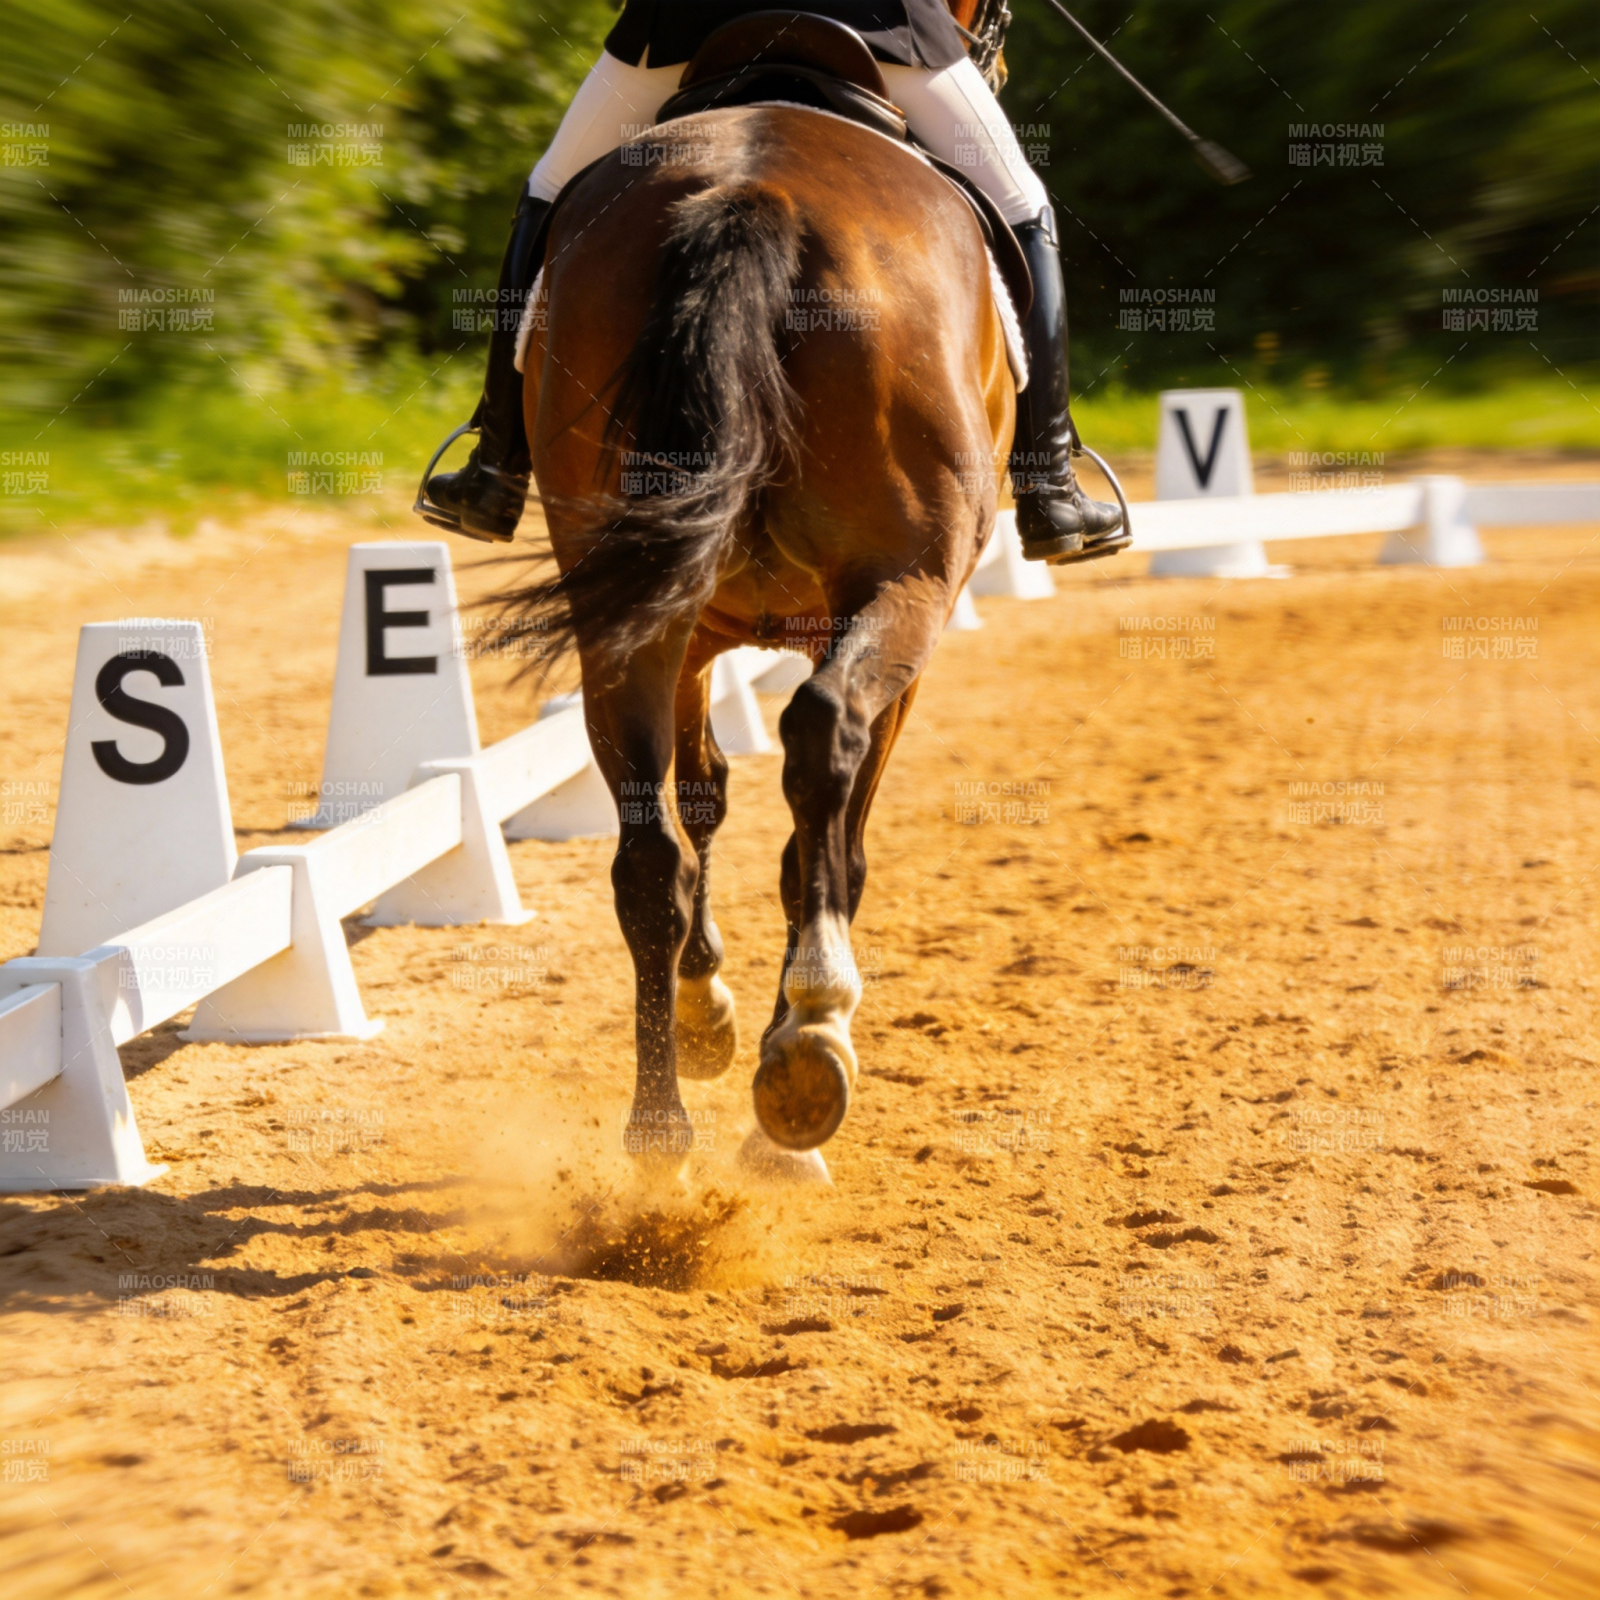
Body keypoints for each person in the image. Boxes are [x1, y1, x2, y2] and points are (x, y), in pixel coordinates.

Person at [421, 0, 1123, 563]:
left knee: (548, 191)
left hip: (685, 25)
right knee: (1024, 206)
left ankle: (497, 468)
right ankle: (1047, 484)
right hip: (883, 23)